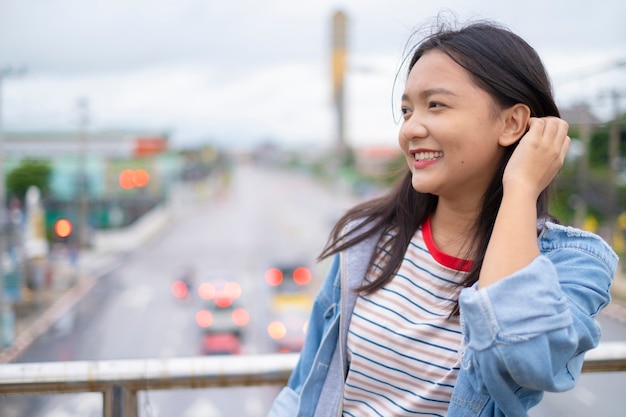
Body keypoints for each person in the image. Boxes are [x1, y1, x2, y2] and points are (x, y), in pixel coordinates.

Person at [267, 17, 618, 417]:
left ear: (512, 123)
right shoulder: (366, 241)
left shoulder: (572, 263)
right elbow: (303, 391)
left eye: (435, 105)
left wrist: (521, 187)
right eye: (406, 109)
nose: (410, 129)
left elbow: (526, 355)